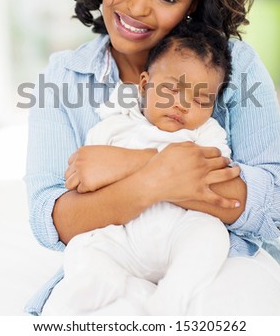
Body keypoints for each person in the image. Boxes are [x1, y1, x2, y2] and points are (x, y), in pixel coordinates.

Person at [24, 0, 280, 316]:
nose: (137, 8)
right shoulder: (64, 77)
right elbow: (54, 220)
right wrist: (160, 179)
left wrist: (135, 166)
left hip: (222, 259)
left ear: (191, 6)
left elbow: (276, 202)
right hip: (112, 258)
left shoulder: (233, 63)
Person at [42, 23, 233, 316]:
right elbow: (85, 178)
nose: (181, 105)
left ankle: (173, 296)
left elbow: (212, 177)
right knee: (84, 247)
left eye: (200, 99)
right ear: (144, 85)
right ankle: (99, 287)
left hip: (178, 233)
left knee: (212, 235)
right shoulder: (114, 126)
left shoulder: (207, 134)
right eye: (171, 88)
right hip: (122, 237)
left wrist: (127, 166)